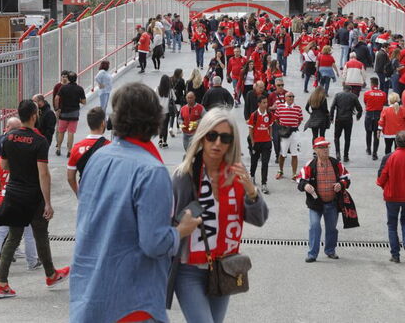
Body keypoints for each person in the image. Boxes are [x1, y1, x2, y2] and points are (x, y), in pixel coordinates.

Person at [70, 83, 202, 322]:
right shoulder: (151, 170)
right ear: (154, 119)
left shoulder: (99, 157)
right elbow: (154, 244)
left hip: (89, 293)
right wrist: (181, 230)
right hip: (132, 301)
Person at [169, 109, 268, 322]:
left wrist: (251, 190)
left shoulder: (236, 174)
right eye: (211, 136)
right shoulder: (184, 176)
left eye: (225, 138)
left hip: (224, 267)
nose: (217, 143)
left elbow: (259, 219)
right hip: (190, 269)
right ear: (202, 137)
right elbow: (166, 223)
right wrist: (181, 227)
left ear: (232, 143)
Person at [0, 99, 69, 298]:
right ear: (35, 115)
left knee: (13, 237)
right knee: (41, 233)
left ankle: (1, 283)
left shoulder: (8, 137)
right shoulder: (39, 140)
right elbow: (43, 174)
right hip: (33, 195)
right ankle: (50, 274)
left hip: (14, 192)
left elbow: (4, 166)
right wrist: (48, 202)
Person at [0, 117, 40, 277]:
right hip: (22, 198)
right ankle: (32, 261)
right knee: (28, 231)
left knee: (0, 232)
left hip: (5, 198)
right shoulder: (27, 162)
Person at [298, 137, 350, 263]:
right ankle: (312, 254)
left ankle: (330, 250)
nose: (325, 150)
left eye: (326, 147)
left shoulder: (336, 164)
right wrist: (305, 186)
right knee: (315, 227)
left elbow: (346, 178)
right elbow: (300, 180)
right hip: (315, 204)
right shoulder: (310, 165)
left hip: (332, 203)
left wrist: (341, 185)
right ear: (315, 150)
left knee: (332, 228)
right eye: (321, 148)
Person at [376, 131, 405, 263]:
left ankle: (395, 254)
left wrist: (384, 186)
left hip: (392, 196)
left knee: (392, 224)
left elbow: (381, 177)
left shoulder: (389, 157)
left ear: (396, 142)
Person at [66, 108, 109, 196]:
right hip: (105, 193)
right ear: (103, 124)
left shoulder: (76, 147)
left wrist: (78, 193)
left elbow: (70, 177)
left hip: (85, 193)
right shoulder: (110, 146)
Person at [55, 72, 86, 157]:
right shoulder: (80, 89)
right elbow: (84, 102)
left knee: (61, 132)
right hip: (74, 114)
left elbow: (57, 98)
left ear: (68, 79)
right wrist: (77, 100)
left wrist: (57, 108)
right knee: (71, 133)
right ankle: (69, 151)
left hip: (63, 113)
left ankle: (58, 149)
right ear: (76, 79)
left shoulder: (63, 88)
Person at [247, 96, 274, 194]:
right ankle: (252, 176)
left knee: (265, 163)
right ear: (259, 104)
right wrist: (253, 142)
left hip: (266, 143)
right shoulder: (254, 115)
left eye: (266, 102)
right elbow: (250, 129)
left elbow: (270, 126)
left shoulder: (270, 115)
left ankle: (264, 184)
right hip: (256, 142)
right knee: (254, 161)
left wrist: (270, 137)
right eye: (263, 102)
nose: (266, 104)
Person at [274, 91, 303, 181]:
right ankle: (280, 171)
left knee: (295, 154)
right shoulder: (280, 107)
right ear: (285, 98)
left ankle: (294, 173)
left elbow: (300, 120)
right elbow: (276, 119)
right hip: (284, 133)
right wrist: (283, 128)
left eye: (292, 96)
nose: (291, 98)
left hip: (294, 133)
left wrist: (293, 127)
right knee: (283, 154)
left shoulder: (298, 108)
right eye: (289, 96)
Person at [330, 85, 362, 162]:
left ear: (343, 89)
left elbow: (332, 107)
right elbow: (359, 108)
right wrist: (358, 116)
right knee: (347, 138)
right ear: (350, 90)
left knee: (336, 137)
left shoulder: (338, 95)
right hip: (348, 119)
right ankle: (346, 155)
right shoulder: (353, 96)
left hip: (339, 119)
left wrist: (331, 118)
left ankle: (337, 153)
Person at [378, 92, 405, 156]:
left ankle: (388, 161)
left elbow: (381, 122)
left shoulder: (385, 110)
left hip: (388, 133)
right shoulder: (403, 110)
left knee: (388, 148)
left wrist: (379, 130)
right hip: (401, 134)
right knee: (399, 150)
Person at [363, 77, 387, 160]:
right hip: (378, 115)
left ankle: (368, 149)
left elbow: (365, 102)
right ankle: (374, 153)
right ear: (378, 84)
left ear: (371, 84)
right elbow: (384, 102)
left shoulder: (367, 93)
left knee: (368, 133)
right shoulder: (383, 94)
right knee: (377, 135)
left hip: (369, 115)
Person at [157, 75, 175, 149]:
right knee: (165, 126)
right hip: (167, 110)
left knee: (160, 125)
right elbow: (175, 98)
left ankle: (160, 139)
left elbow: (154, 98)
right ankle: (165, 142)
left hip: (159, 110)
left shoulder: (157, 89)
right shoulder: (170, 90)